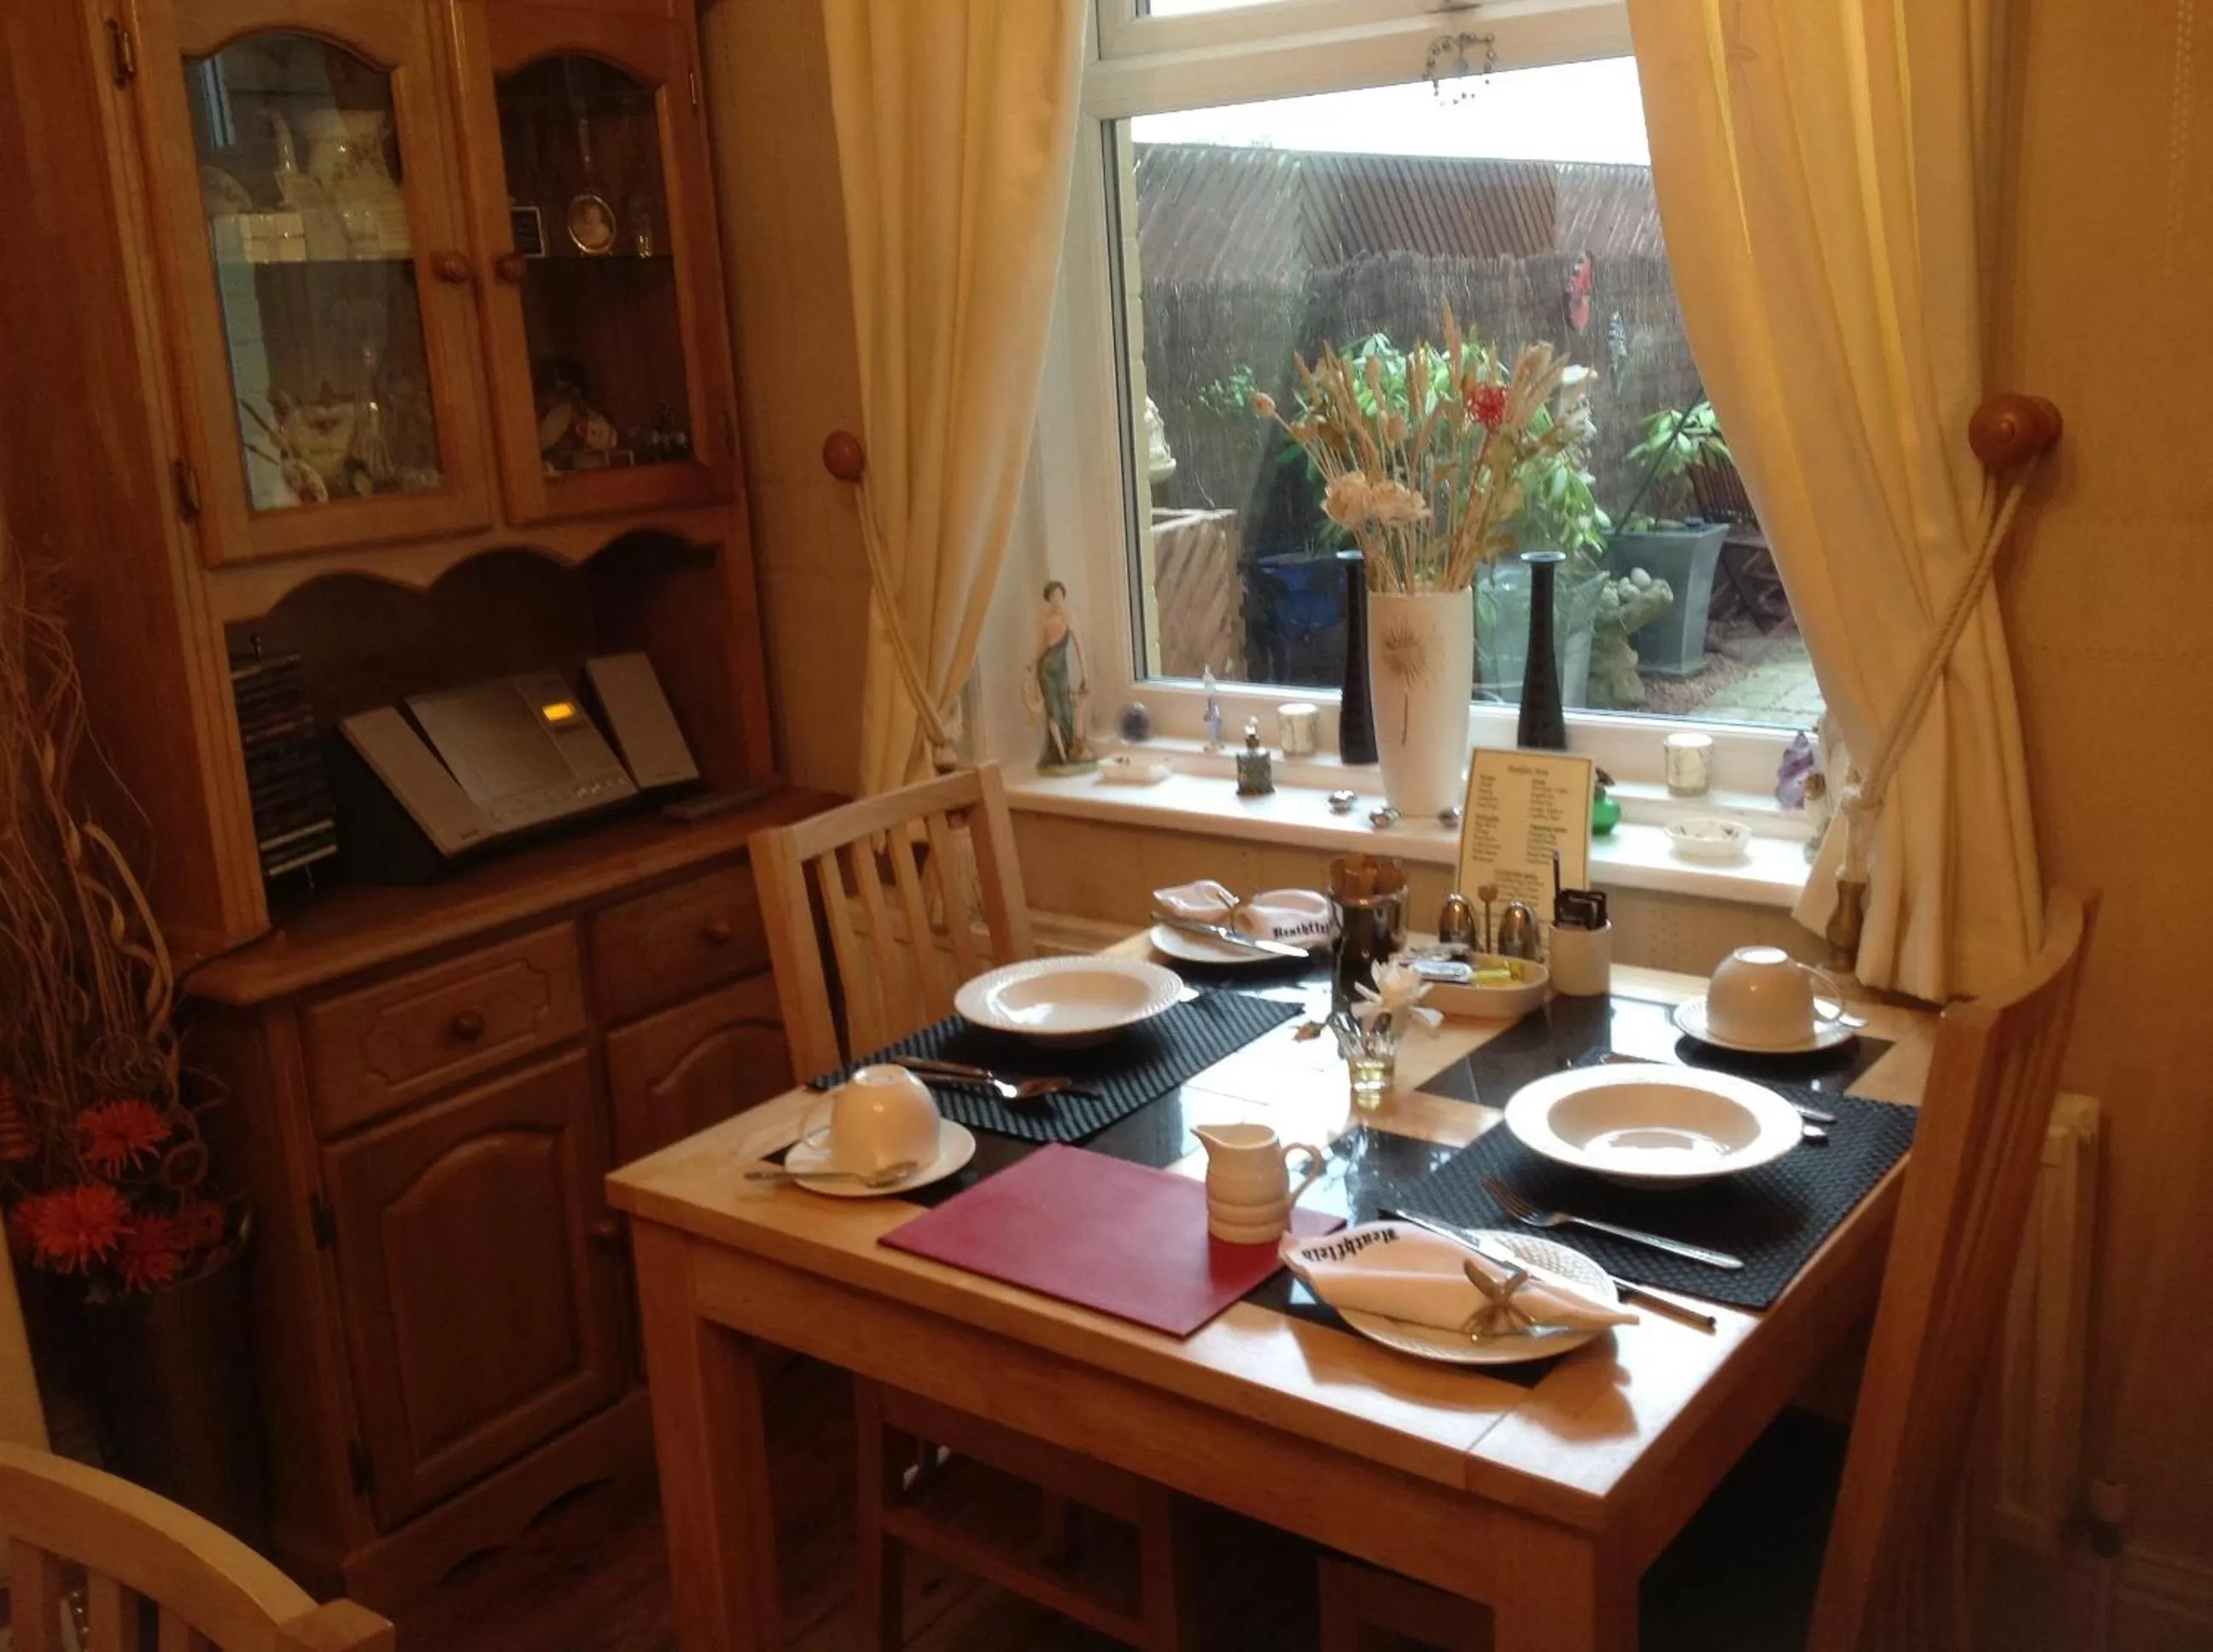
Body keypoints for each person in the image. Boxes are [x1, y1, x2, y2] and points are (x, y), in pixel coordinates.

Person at [1029, 581, 1094, 773]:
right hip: (1046, 669)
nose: (1056, 599)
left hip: (1061, 670)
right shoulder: (1046, 620)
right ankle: (1060, 754)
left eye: (1058, 595)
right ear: (1048, 599)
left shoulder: (1069, 619)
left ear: (1063, 597)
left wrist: (1085, 672)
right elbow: (1042, 646)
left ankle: (1069, 749)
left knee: (1066, 708)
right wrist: (1031, 664)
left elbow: (1079, 646)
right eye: (1052, 596)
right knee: (1053, 711)